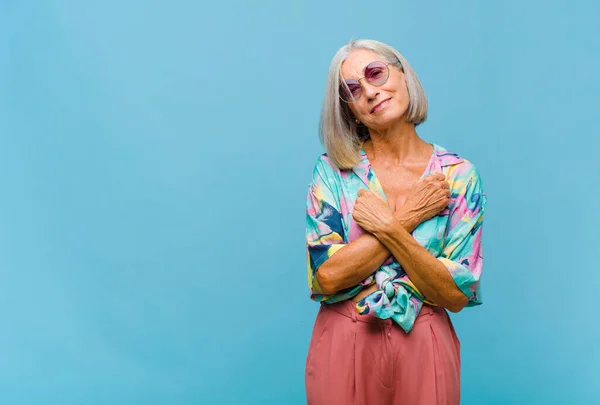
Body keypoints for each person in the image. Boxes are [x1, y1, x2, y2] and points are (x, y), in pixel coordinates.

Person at [304, 39, 487, 405]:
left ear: (403, 76)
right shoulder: (333, 172)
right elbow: (327, 276)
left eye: (376, 73)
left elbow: (454, 294)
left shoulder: (458, 176)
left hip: (424, 340)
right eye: (353, 90)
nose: (370, 91)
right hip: (345, 337)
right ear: (350, 111)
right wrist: (410, 216)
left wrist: (386, 226)